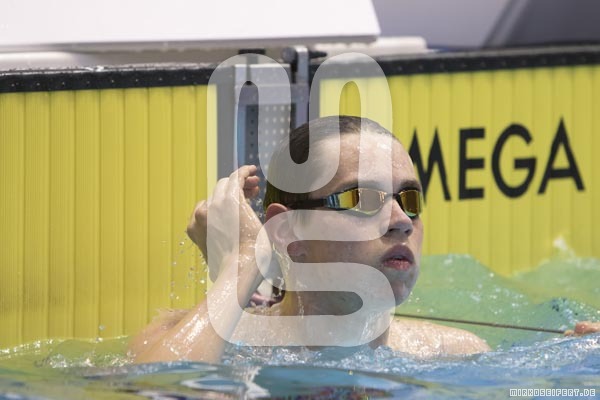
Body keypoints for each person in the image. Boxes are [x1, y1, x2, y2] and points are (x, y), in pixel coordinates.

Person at [130, 116, 600, 363]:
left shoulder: (454, 352)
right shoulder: (194, 341)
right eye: (363, 199)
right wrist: (241, 263)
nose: (401, 222)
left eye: (409, 199)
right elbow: (159, 389)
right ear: (290, 232)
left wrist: (581, 359)